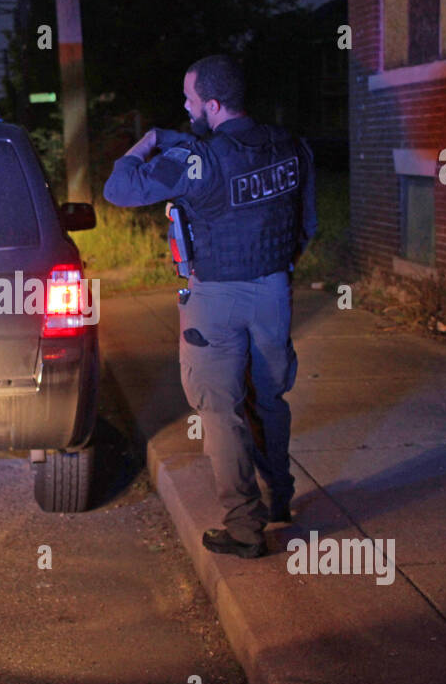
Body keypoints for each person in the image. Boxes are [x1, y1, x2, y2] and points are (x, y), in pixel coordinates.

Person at [103, 55, 316, 558]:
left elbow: (120, 188)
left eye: (190, 99)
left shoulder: (199, 159)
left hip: (215, 298)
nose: (185, 105)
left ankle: (245, 528)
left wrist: (151, 140)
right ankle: (280, 498)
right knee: (269, 401)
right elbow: (306, 226)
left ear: (213, 104)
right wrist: (277, 273)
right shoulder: (291, 146)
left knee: (222, 412)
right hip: (274, 292)